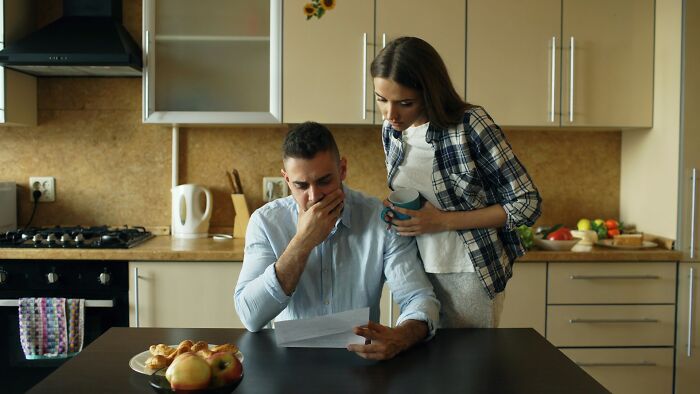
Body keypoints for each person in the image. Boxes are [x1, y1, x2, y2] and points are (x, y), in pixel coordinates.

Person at [370, 37, 542, 329]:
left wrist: (443, 221)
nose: (390, 115)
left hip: (467, 272)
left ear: (429, 92)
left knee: (466, 369)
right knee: (419, 368)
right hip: (414, 271)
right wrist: (398, 210)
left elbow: (527, 204)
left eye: (405, 103)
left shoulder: (470, 125)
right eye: (381, 99)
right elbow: (420, 196)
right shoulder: (392, 132)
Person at [234, 121, 440, 360]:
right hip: (289, 361)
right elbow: (250, 316)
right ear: (286, 180)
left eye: (324, 181)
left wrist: (401, 336)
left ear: (342, 170)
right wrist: (303, 242)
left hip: (361, 359)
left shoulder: (380, 219)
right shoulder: (265, 222)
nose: (314, 196)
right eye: (301, 185)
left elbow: (420, 298)